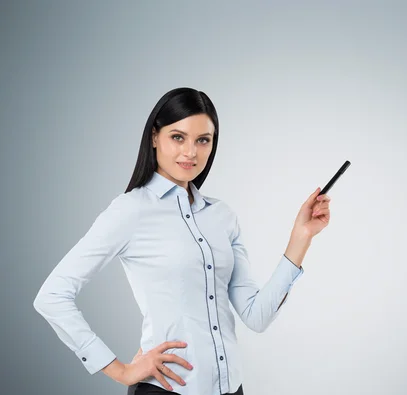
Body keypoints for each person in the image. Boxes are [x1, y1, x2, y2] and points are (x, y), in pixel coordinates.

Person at [33, 87, 332, 395]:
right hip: (167, 390)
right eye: (178, 137)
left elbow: (256, 316)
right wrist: (120, 370)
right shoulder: (130, 210)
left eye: (203, 140)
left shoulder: (222, 216)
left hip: (232, 389)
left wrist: (301, 237)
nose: (191, 152)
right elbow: (52, 296)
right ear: (154, 137)